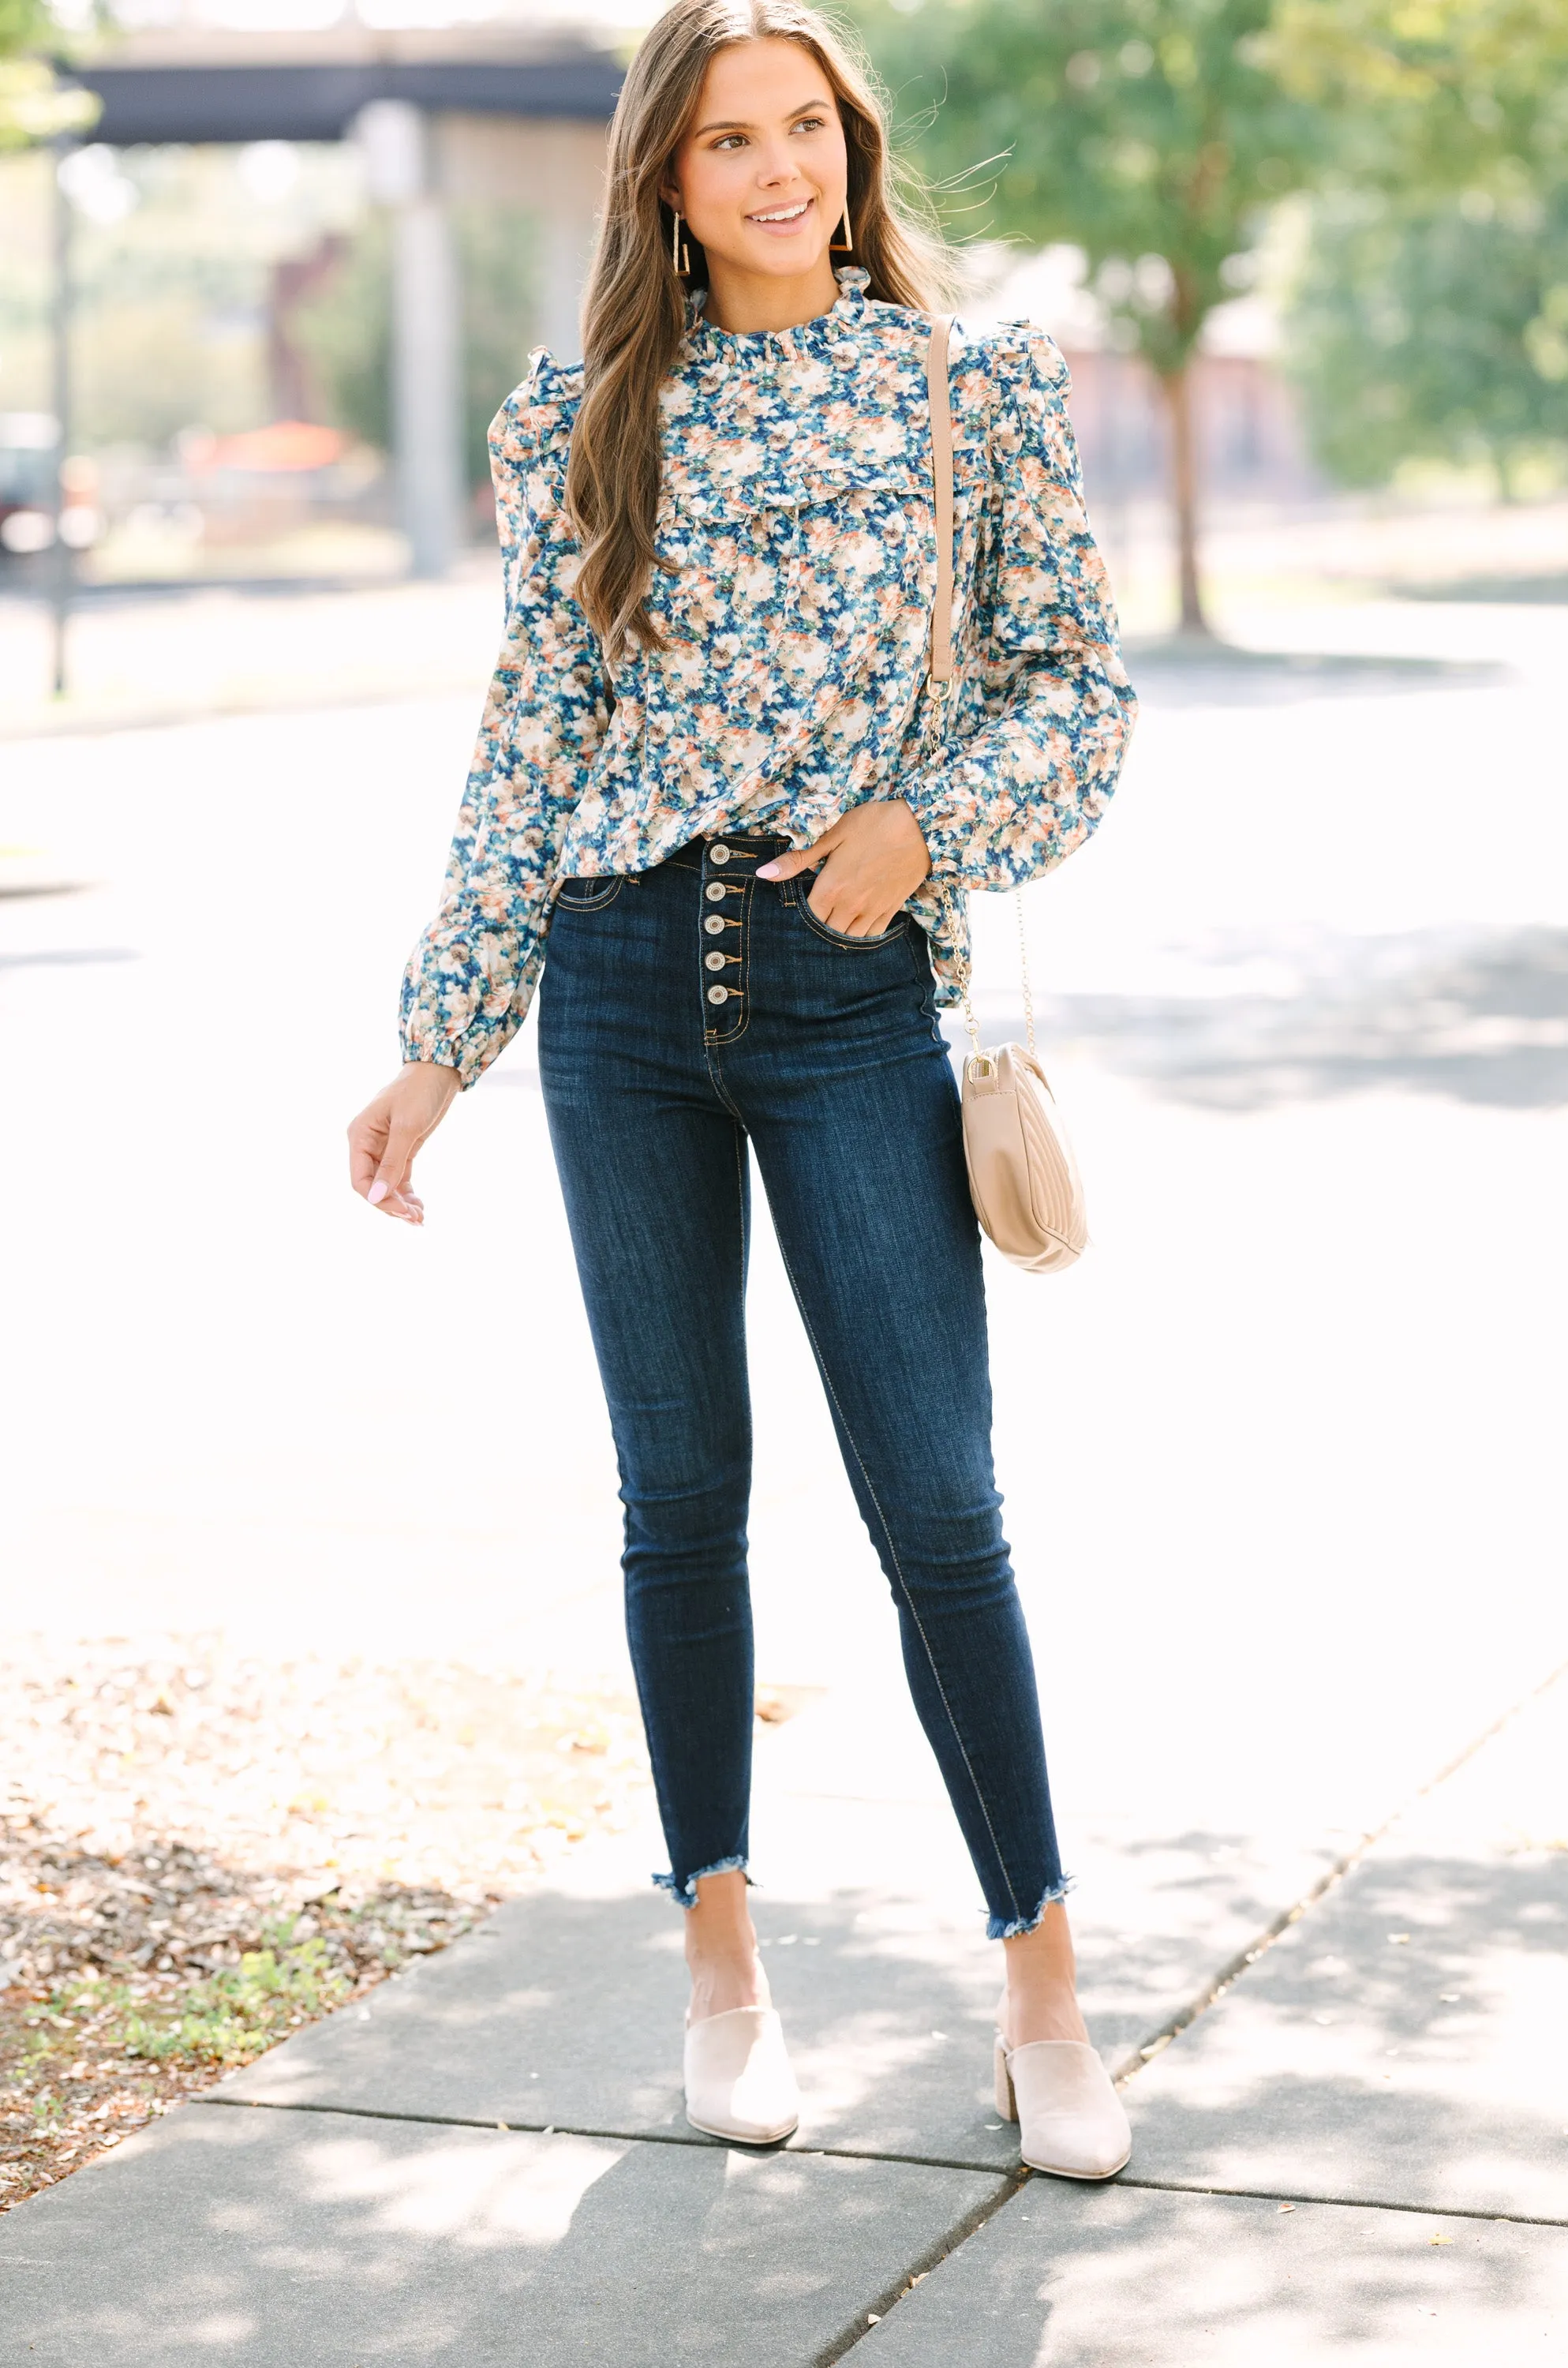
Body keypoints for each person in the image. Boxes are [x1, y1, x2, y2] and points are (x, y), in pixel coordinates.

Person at [347, 0, 1136, 2179]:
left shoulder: (975, 391)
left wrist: (921, 832)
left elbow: (1077, 687)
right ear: (665, 185)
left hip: (848, 986)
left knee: (937, 1502)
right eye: (729, 142)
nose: (780, 169)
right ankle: (721, 1970)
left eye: (806, 128)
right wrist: (438, 1045)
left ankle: (1045, 1997)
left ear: (850, 150)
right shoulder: (580, 416)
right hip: (617, 988)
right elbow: (528, 743)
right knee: (680, 1499)